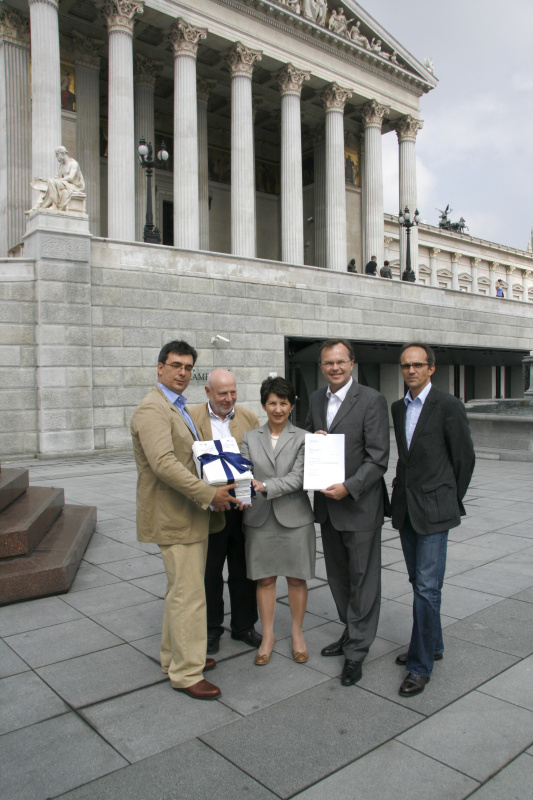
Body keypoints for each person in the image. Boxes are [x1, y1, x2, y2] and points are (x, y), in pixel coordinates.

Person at [130, 341, 241, 701]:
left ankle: (173, 657)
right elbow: (164, 464)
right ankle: (186, 672)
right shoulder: (153, 409)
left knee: (180, 591)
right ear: (159, 367)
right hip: (174, 517)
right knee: (190, 596)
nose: (182, 373)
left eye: (188, 367)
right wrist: (210, 494)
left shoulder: (174, 407)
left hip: (187, 515)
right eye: (176, 365)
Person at [390, 343, 475, 697]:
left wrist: (449, 500)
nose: (411, 371)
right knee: (418, 582)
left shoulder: (448, 406)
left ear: (431, 369)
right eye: (406, 366)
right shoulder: (398, 408)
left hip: (435, 510)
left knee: (427, 587)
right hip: (407, 508)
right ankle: (433, 644)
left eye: (418, 365)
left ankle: (420, 665)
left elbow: (464, 459)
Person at [306, 339, 389, 686]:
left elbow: (378, 457)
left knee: (363, 580)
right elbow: (312, 441)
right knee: (339, 579)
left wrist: (349, 486)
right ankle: (350, 630)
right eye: (328, 363)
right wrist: (316, 438)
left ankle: (357, 651)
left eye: (340, 361)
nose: (334, 368)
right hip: (328, 507)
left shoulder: (372, 399)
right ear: (321, 366)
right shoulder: (314, 399)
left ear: (352, 363)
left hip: (358, 505)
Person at [240, 377, 316, 666]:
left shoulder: (304, 437)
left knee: (297, 578)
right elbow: (244, 473)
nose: (278, 408)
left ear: (292, 406)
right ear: (263, 405)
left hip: (295, 518)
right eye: (272, 402)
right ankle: (268, 635)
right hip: (259, 517)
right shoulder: (249, 437)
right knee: (266, 578)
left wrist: (265, 486)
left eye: (284, 403)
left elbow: (299, 478)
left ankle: (297, 633)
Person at [190, 369, 262, 655]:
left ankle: (244, 625)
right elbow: (186, 463)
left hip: (242, 509)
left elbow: (256, 458)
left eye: (233, 392)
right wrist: (207, 497)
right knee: (210, 572)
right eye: (222, 393)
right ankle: (211, 629)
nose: (229, 399)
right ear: (208, 392)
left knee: (244, 570)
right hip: (209, 509)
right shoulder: (192, 418)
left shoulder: (248, 417)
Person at [31, 146, 85, 211]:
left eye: (57, 155)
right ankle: (37, 206)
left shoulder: (73, 163)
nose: (56, 157)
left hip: (73, 186)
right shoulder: (61, 166)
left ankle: (54, 205)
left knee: (52, 182)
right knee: (46, 187)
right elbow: (55, 178)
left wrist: (56, 181)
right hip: (64, 184)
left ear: (62, 154)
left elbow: (70, 178)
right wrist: (44, 179)